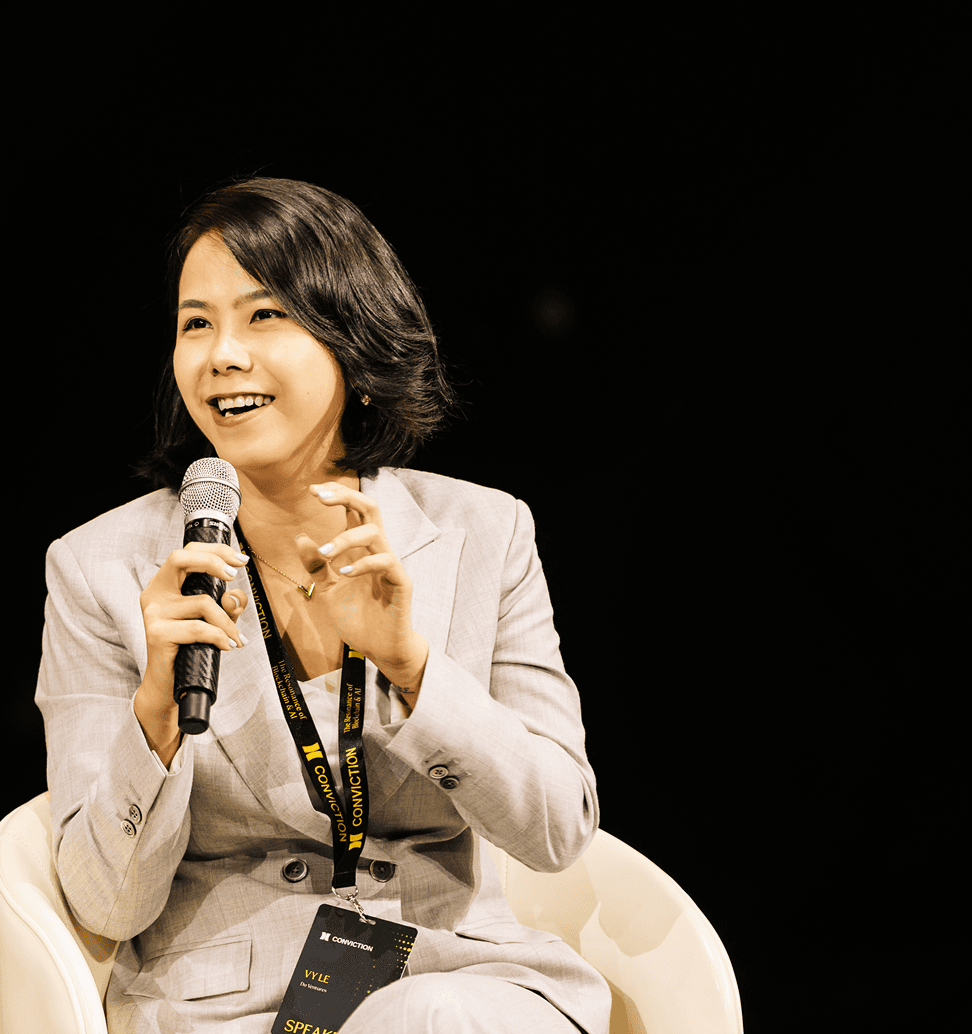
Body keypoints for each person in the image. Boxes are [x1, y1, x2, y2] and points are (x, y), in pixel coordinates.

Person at [36, 177, 609, 1034]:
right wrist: (155, 714)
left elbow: (558, 830)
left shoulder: (485, 534)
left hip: (460, 979)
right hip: (231, 1007)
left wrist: (412, 668)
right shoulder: (100, 569)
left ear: (353, 340)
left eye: (264, 316)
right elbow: (104, 903)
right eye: (196, 324)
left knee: (432, 1017)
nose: (222, 355)